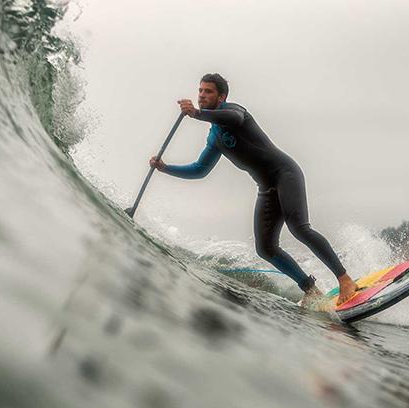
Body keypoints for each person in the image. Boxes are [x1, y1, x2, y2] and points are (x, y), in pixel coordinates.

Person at [150, 73, 360, 308]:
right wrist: (165, 168)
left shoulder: (235, 111)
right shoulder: (214, 137)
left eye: (208, 91)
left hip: (285, 174)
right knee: (266, 248)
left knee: (299, 228)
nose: (202, 95)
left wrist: (198, 114)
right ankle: (311, 290)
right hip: (266, 188)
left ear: (222, 97)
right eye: (200, 91)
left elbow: (234, 119)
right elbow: (200, 169)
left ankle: (345, 279)